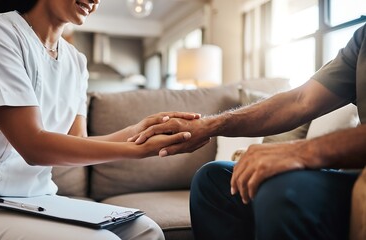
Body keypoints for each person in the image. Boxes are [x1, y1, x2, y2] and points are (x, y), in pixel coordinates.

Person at [0, 0, 198, 239]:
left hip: (36, 196)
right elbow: (33, 146)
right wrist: (137, 150)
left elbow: (76, 141)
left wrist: (138, 131)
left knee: (146, 231)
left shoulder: (76, 61)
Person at [129, 23, 366, 239]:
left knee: (283, 192)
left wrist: (301, 151)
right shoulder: (362, 38)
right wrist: (206, 126)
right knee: (213, 180)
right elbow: (300, 100)